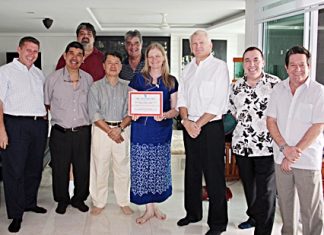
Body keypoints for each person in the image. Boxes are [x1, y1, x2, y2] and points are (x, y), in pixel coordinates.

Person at [176, 29, 229, 235]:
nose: (198, 46)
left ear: (210, 45)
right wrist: (186, 121)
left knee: (214, 175)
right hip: (190, 125)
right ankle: (192, 213)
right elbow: (182, 98)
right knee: (192, 171)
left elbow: (218, 102)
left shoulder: (219, 67)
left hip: (210, 126)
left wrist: (196, 124)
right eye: (194, 44)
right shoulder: (187, 69)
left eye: (201, 43)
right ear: (191, 47)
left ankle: (217, 223)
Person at [266, 45, 324, 235]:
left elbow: (318, 126)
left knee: (311, 211)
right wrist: (284, 149)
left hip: (307, 160)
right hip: (281, 158)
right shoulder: (277, 90)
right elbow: (271, 121)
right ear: (286, 67)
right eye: (293, 65)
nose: (297, 69)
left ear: (308, 66)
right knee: (286, 209)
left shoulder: (319, 92)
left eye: (302, 65)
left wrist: (293, 153)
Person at [229, 47, 279, 234]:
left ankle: (263, 230)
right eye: (247, 60)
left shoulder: (275, 84)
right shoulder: (236, 87)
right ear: (243, 63)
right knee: (250, 187)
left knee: (266, 191)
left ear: (263, 62)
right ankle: (253, 216)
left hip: (267, 146)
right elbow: (234, 112)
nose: (252, 64)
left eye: (256, 60)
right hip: (242, 146)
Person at [0, 36, 48, 233]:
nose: (32, 54)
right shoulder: (5, 72)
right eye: (28, 50)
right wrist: (1, 130)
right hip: (15, 124)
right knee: (15, 171)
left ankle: (29, 202)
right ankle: (16, 214)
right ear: (19, 50)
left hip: (38, 125)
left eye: (35, 51)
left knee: (34, 168)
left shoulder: (39, 74)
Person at [128, 42, 178, 224]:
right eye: (151, 57)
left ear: (163, 58)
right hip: (141, 130)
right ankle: (148, 208)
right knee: (142, 168)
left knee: (158, 168)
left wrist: (164, 115)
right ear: (146, 59)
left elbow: (176, 110)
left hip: (161, 131)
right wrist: (135, 113)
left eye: (158, 56)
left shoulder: (171, 81)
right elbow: (131, 108)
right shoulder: (138, 79)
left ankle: (155, 204)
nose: (154, 60)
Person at [45, 41, 93, 215]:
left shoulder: (88, 79)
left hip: (83, 132)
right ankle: (62, 200)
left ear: (83, 58)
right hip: (60, 132)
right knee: (59, 168)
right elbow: (47, 104)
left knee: (82, 168)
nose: (75, 57)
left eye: (79, 54)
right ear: (65, 56)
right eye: (71, 53)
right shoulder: (52, 79)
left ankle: (79, 199)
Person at [88, 51, 133, 216]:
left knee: (122, 167)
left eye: (116, 63)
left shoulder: (129, 87)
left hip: (123, 129)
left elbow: (131, 111)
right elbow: (94, 113)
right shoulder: (95, 86)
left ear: (121, 66)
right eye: (109, 63)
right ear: (103, 66)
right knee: (100, 167)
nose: (113, 66)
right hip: (101, 131)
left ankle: (123, 202)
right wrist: (110, 131)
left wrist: (119, 129)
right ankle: (99, 202)